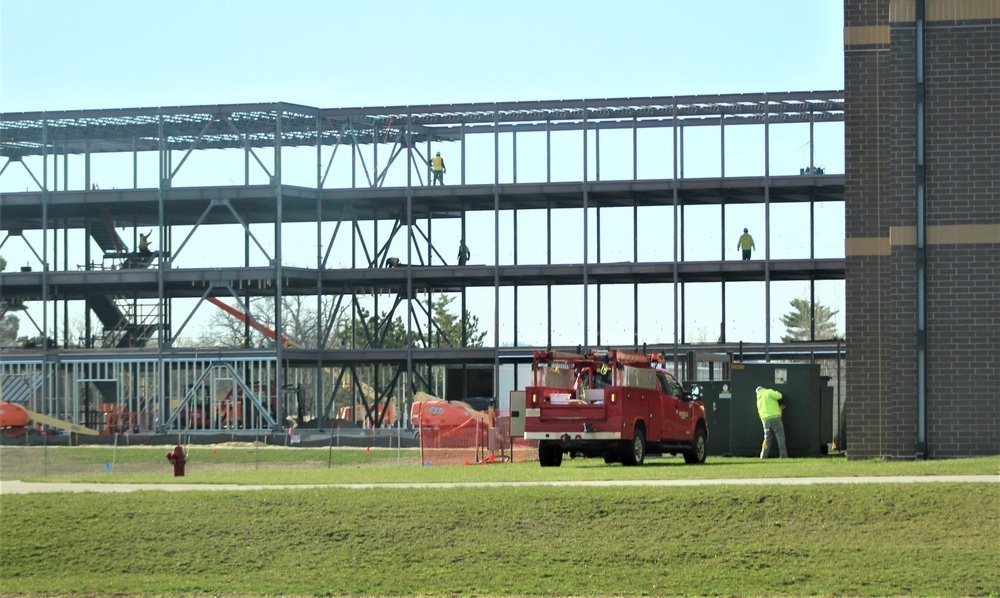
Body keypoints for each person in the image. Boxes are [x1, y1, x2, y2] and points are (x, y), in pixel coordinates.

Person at [756, 385, 788, 458]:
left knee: (767, 439)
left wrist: (779, 409)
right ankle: (783, 455)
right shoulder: (768, 392)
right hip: (775, 418)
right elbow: (779, 396)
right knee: (780, 437)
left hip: (765, 421)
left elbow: (767, 409)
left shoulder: (758, 400)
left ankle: (763, 455)